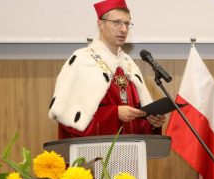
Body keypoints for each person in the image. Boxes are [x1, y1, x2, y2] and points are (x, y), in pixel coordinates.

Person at [48, 0, 165, 139]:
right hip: (94, 156)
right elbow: (66, 117)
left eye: (127, 23)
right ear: (100, 24)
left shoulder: (129, 65)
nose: (123, 29)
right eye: (117, 22)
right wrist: (114, 114)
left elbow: (136, 123)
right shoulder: (81, 60)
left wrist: (152, 123)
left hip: (130, 154)